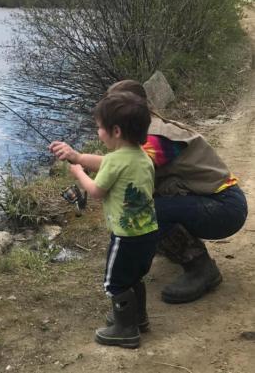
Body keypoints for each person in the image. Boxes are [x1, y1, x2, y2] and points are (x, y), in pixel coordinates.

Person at [50, 79, 248, 304]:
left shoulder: (155, 139)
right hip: (216, 200)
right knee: (142, 199)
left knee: (143, 211)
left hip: (224, 208)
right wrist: (78, 158)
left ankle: (201, 269)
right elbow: (121, 163)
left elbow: (123, 166)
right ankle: (171, 244)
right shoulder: (145, 129)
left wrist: (78, 160)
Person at [50, 90, 159, 348]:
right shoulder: (142, 157)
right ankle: (137, 318)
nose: (98, 132)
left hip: (126, 237)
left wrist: (78, 172)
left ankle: (125, 329)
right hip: (148, 233)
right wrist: (77, 156)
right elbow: (106, 162)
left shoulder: (114, 161)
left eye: (99, 128)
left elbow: (97, 191)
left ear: (116, 131)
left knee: (115, 281)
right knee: (134, 277)